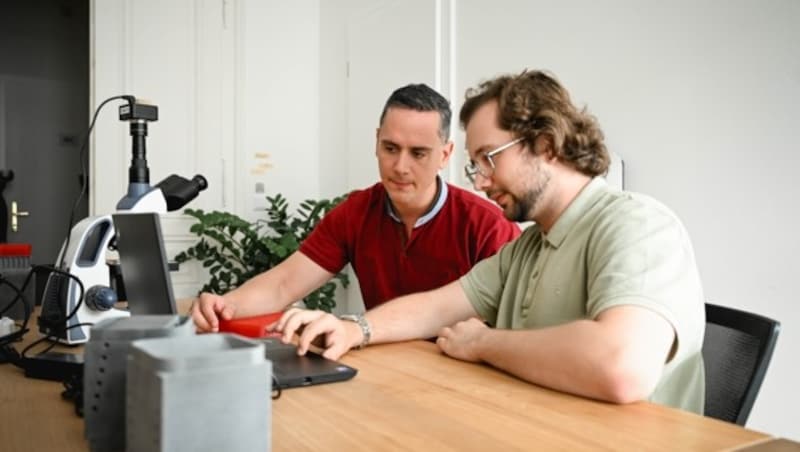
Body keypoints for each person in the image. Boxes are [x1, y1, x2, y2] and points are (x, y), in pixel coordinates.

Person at [271, 70, 707, 413]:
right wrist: (354, 328)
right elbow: (439, 306)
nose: (479, 182)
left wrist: (482, 344)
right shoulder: (529, 246)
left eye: (488, 159)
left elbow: (620, 366)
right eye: (474, 165)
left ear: (546, 144)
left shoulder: (638, 225)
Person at [192, 83, 521, 332]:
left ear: (445, 155)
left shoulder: (487, 225)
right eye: (390, 148)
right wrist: (224, 305)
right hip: (381, 364)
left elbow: (505, 325)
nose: (400, 167)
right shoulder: (356, 212)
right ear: (376, 140)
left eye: (418, 153)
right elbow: (284, 284)